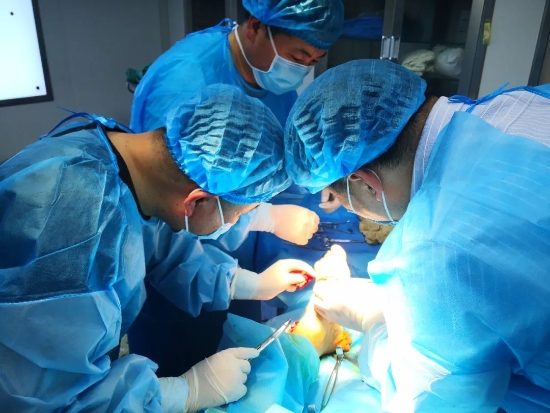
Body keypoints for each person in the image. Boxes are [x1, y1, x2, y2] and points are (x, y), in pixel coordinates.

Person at [0, 84, 317, 412]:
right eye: (239, 215)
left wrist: (250, 284)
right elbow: (48, 398)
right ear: (197, 201)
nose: (237, 224)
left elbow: (163, 243)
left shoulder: (129, 160)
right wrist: (187, 392)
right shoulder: (74, 229)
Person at [284, 59, 550, 412]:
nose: (349, 210)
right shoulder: (517, 104)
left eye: (342, 199)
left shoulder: (439, 253)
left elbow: (433, 402)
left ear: (365, 182)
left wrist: (373, 322)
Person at [128, 0, 345, 376]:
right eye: (298, 56)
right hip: (174, 285)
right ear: (256, 27)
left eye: (314, 60)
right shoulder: (183, 84)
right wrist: (265, 217)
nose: (302, 69)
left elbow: (281, 146)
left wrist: (321, 176)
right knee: (179, 362)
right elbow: (172, 231)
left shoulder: (269, 80)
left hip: (221, 262)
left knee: (233, 350)